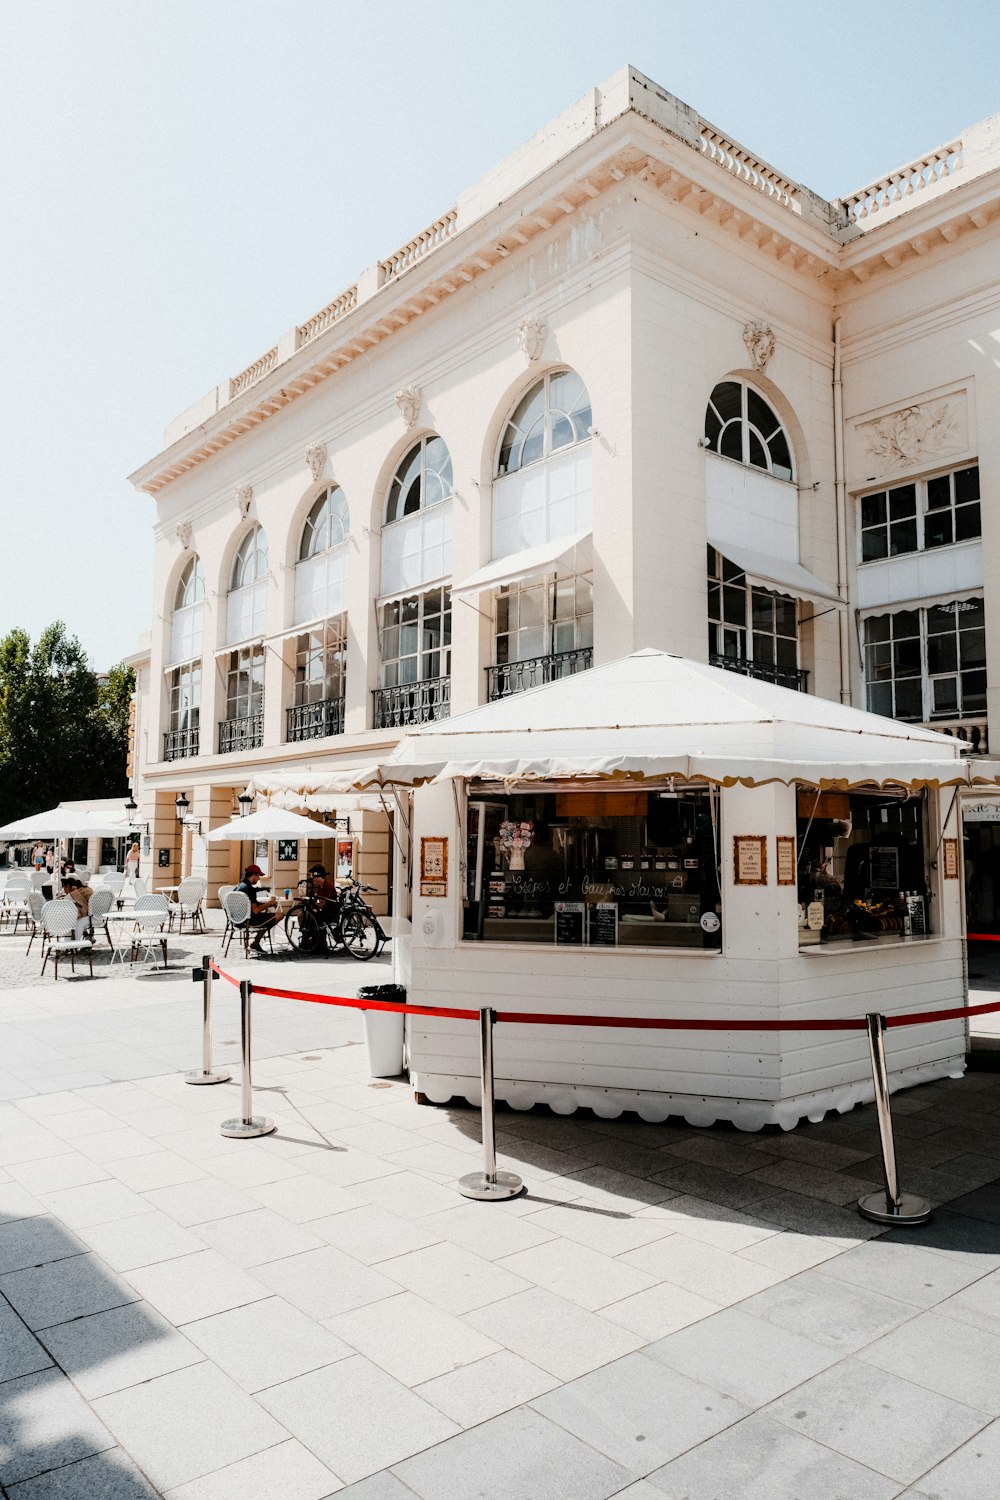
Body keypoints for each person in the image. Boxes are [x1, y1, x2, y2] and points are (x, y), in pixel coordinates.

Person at [234, 864, 280, 952]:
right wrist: (270, 903)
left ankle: (252, 944)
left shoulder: (240, 885)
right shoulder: (249, 889)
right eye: (258, 876)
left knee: (267, 916)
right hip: (247, 922)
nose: (259, 879)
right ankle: (255, 943)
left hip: (237, 920)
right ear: (254, 874)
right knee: (279, 915)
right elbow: (255, 910)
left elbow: (250, 904)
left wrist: (268, 904)